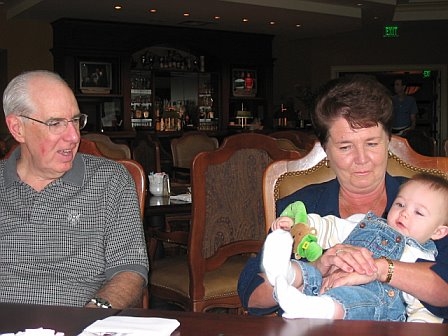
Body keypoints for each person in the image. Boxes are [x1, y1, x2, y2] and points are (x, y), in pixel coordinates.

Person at [237, 74, 448, 322]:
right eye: (345, 147)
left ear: (388, 143)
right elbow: (251, 294)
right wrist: (315, 270)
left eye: (371, 143)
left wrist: (378, 269)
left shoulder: (426, 206)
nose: (361, 159)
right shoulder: (303, 206)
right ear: (326, 150)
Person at [0, 70, 149, 308]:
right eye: (55, 123)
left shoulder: (110, 180)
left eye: (76, 120)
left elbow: (130, 270)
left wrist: (93, 314)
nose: (73, 136)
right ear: (18, 128)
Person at [264, 173, 448, 322]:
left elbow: (423, 312)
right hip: (326, 287)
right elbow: (331, 227)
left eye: (419, 212)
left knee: (359, 300)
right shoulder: (367, 223)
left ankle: (313, 307)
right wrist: (300, 224)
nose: (405, 213)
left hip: (371, 310)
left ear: (438, 232)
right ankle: (285, 272)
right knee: (313, 270)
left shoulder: (420, 259)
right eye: (400, 204)